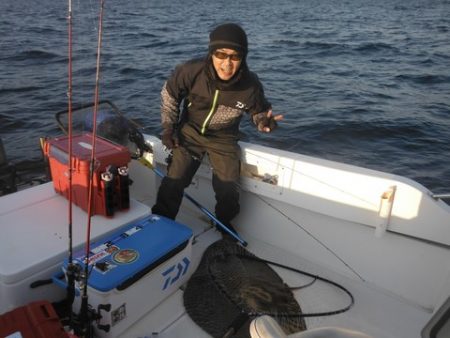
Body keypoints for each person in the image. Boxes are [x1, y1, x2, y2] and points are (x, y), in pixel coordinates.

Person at [152, 23, 283, 236]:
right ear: (211, 53)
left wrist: (264, 123)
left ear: (243, 58)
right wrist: (169, 128)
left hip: (224, 138)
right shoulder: (191, 71)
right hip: (190, 132)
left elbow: (258, 111)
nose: (227, 63)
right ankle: (162, 223)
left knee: (228, 189)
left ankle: (223, 223)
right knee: (174, 180)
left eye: (235, 56)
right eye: (221, 54)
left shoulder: (250, 85)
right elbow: (170, 94)